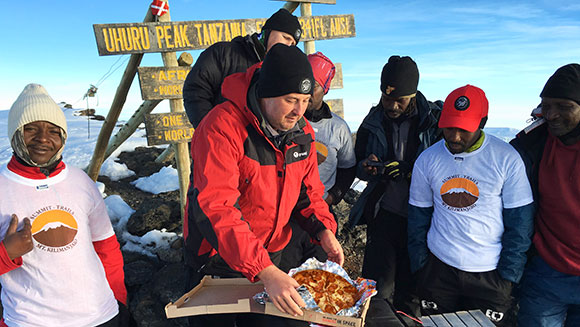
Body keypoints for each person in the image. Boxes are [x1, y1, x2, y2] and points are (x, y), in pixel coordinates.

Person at [184, 44, 343, 327]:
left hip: (272, 254)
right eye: (290, 99)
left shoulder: (301, 132)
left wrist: (323, 230)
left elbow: (308, 194)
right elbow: (216, 208)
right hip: (220, 260)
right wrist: (263, 269)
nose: (299, 111)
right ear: (266, 93)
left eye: (305, 100)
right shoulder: (221, 127)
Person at [408, 85, 535, 326]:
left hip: (490, 275)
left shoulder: (506, 159)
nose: (454, 136)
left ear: (483, 122)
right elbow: (417, 217)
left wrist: (508, 277)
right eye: (448, 127)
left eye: (463, 129)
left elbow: (520, 224)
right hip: (438, 271)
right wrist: (421, 266)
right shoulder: (428, 159)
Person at [0, 84, 127, 326]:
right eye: (30, 129)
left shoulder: (80, 180)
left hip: (101, 316)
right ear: (15, 133)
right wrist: (6, 253)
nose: (43, 139)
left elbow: (106, 247)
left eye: (53, 131)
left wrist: (118, 299)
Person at [347, 55, 441, 323]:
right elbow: (358, 163)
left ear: (413, 93)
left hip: (423, 220)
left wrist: (409, 169)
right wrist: (367, 168)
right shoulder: (372, 120)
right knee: (375, 292)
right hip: (384, 214)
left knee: (412, 294)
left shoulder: (434, 120)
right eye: (387, 98)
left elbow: (447, 168)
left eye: (400, 99)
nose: (392, 105)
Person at [511, 63, 580, 327]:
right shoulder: (534, 142)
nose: (551, 115)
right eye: (546, 105)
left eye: (564, 107)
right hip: (546, 270)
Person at [278, 52, 356, 273]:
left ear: (325, 90)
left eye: (313, 87)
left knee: (320, 276)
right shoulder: (288, 122)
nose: (307, 93)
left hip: (321, 213)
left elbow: (347, 168)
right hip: (288, 217)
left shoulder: (338, 128)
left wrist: (333, 197)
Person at [183, 8, 302, 127]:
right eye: (286, 38)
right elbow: (196, 90)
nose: (288, 46)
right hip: (220, 138)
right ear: (268, 32)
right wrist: (210, 129)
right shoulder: (224, 53)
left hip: (256, 143)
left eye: (292, 44)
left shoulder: (281, 72)